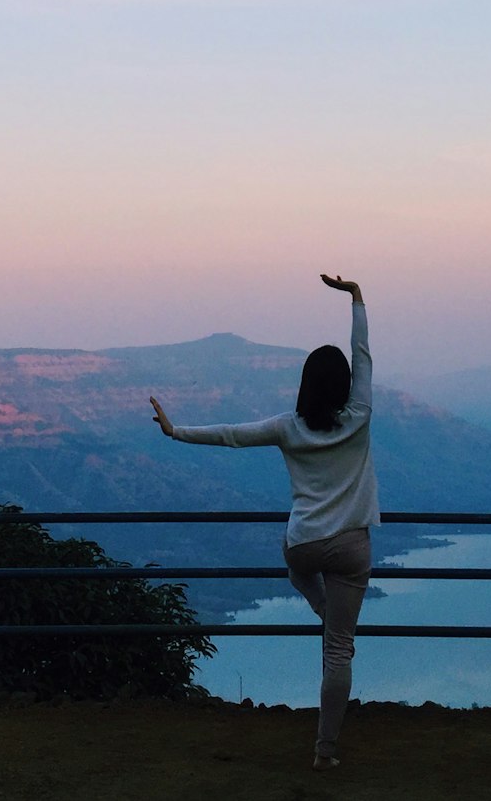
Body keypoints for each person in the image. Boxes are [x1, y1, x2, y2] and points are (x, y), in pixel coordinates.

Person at [150, 273, 378, 772]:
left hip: (304, 546)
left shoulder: (286, 428)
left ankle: (323, 609)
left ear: (304, 385)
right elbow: (362, 355)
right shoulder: (360, 414)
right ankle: (325, 751)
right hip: (352, 547)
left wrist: (175, 432)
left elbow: (230, 434)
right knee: (340, 650)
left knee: (295, 562)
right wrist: (356, 298)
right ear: (342, 388)